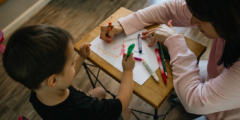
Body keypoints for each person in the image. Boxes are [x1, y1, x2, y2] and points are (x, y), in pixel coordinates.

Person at [100, 0, 240, 119]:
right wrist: (123, 24)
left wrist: (175, 42)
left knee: (180, 90)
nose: (192, 21)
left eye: (200, 18)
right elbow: (171, 9)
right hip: (219, 75)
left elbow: (194, 101)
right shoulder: (226, 13)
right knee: (171, 84)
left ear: (226, 17)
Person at [3, 24, 135, 120]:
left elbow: (64, 77)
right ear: (53, 80)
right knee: (126, 111)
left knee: (100, 91)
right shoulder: (82, 107)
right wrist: (128, 70)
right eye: (71, 63)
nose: (74, 64)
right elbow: (122, 102)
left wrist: (81, 57)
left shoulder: (38, 90)